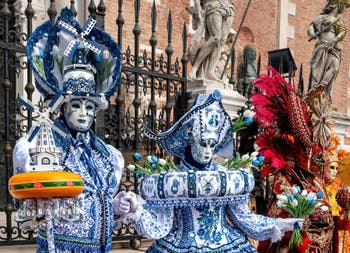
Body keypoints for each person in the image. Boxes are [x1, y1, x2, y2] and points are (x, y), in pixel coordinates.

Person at [114, 89, 303, 253]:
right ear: (190, 142)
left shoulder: (227, 178)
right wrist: (135, 209)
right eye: (202, 144)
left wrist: (277, 224)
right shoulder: (172, 179)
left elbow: (242, 217)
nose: (207, 151)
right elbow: (159, 224)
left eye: (212, 145)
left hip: (228, 245)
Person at [12, 8, 124, 252]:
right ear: (62, 108)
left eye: (89, 106)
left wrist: (120, 206)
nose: (83, 113)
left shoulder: (106, 155)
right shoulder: (41, 148)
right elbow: (33, 206)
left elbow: (101, 203)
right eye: (75, 105)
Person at [307, 0, 349, 100]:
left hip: (334, 48)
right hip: (322, 47)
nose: (343, 9)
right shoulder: (321, 18)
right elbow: (311, 28)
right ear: (337, 5)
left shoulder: (339, 22)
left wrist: (334, 40)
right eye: (342, 6)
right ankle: (314, 92)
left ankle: (322, 88)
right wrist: (312, 34)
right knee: (317, 72)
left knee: (335, 67)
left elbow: (342, 33)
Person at [188, 0, 235, 81]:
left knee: (222, 42)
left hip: (228, 7)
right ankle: (194, 68)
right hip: (213, 4)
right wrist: (198, 8)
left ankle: (211, 71)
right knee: (215, 37)